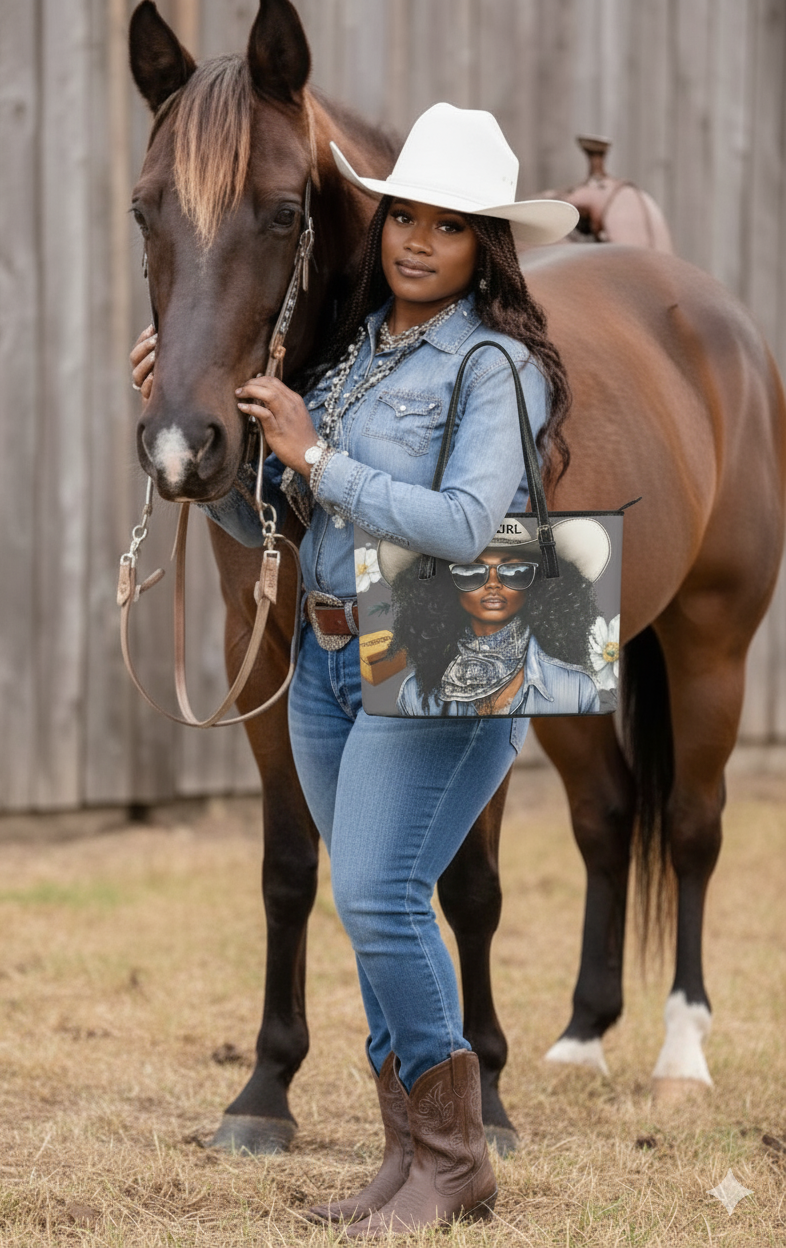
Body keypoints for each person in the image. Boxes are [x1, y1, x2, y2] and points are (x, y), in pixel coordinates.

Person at [131, 103, 578, 1236]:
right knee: (364, 900)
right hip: (333, 652)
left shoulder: (497, 362)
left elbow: (475, 524)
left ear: (489, 246)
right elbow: (272, 522)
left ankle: (453, 1156)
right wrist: (212, 446)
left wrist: (319, 453)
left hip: (441, 636)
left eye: (452, 226)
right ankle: (406, 1153)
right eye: (403, 218)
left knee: (378, 896)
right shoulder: (357, 357)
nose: (418, 241)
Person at [386, 521, 604, 717]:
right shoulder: (414, 693)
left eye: (514, 571)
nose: (493, 584)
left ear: (537, 583)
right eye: (470, 572)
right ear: (447, 584)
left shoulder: (578, 688)